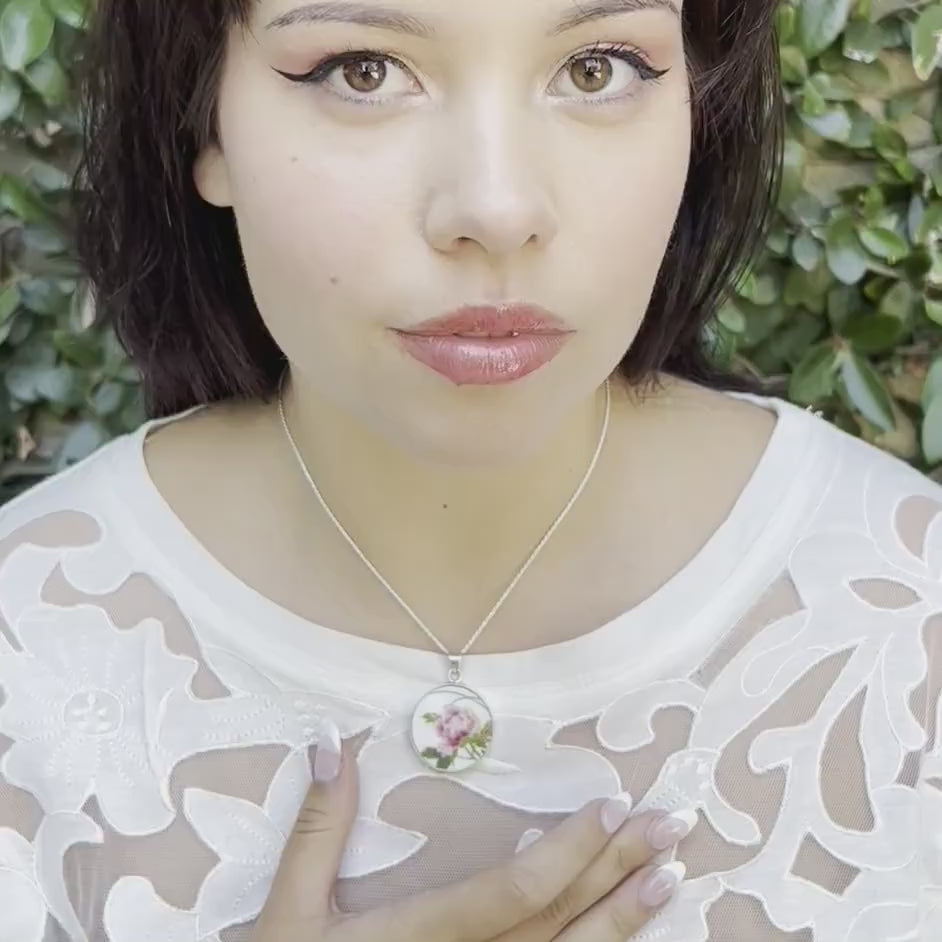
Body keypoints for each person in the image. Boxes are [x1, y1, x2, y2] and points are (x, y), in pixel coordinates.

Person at [0, 0, 939, 939]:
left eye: (597, 67)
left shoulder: (912, 623)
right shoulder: (26, 660)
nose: (497, 209)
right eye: (362, 71)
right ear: (201, 121)